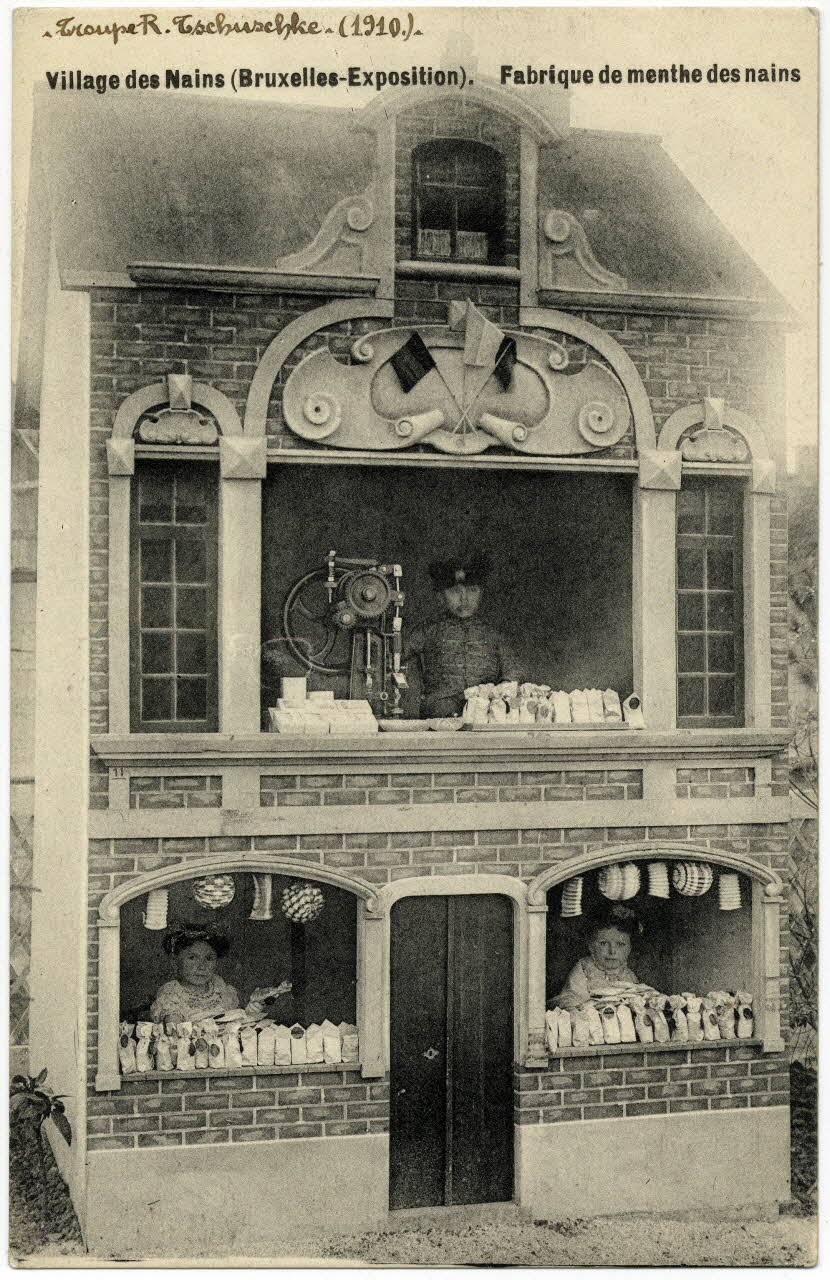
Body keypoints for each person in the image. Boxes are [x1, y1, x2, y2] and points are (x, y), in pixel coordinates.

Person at [405, 555, 520, 718]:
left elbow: (512, 669)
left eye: (472, 590)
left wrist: (505, 686)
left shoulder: (493, 634)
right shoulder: (427, 630)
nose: (464, 598)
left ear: (481, 593)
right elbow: (397, 657)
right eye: (454, 591)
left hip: (484, 712)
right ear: (440, 597)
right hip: (439, 713)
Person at [150, 925, 291, 1023]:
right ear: (176, 962)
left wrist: (256, 1005)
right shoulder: (171, 994)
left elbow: (236, 1024)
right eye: (192, 958)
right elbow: (175, 1038)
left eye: (209, 958)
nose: (202, 966)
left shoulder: (220, 988)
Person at [550, 904, 649, 1011]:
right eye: (603, 943)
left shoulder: (628, 975)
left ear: (629, 948)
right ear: (591, 946)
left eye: (620, 944)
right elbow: (572, 999)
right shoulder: (584, 968)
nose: (612, 951)